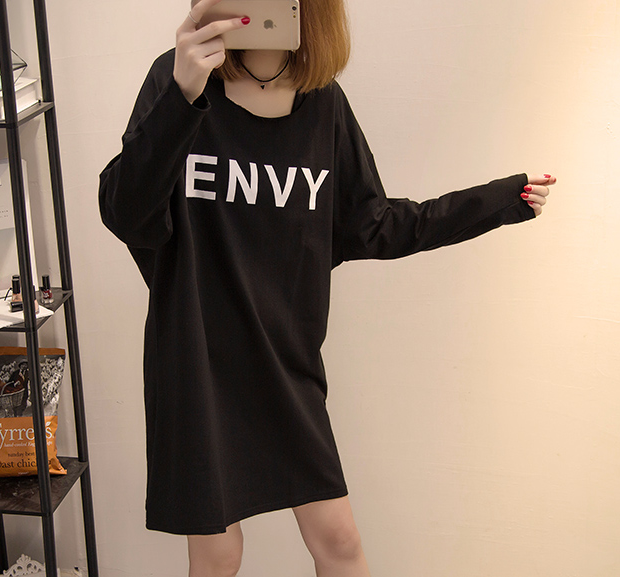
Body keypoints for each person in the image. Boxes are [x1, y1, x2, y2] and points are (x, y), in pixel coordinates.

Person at [99, 0, 556, 575]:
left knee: (338, 541)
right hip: (197, 361)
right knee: (217, 555)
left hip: (285, 362)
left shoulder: (323, 104)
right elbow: (126, 212)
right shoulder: (176, 79)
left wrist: (499, 201)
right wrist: (182, 97)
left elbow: (374, 224)